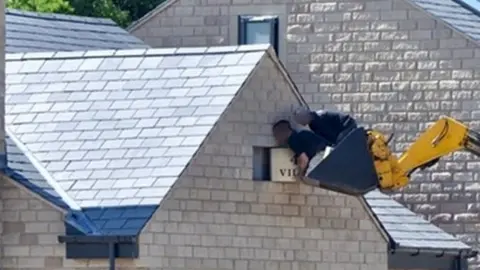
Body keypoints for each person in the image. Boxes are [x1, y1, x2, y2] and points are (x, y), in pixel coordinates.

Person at [293, 107, 358, 147]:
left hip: (347, 124)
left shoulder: (320, 118)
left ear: (305, 116)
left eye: (300, 120)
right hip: (339, 130)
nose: (301, 123)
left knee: (339, 144)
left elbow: (331, 135)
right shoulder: (312, 124)